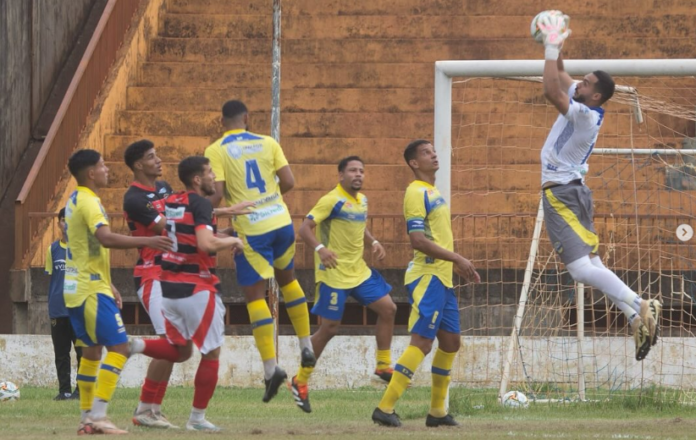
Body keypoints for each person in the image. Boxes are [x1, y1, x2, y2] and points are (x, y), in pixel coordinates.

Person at [537, 14, 661, 361]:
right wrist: (556, 43)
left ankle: (640, 303)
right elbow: (561, 75)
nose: (579, 83)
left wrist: (548, 48)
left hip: (561, 193)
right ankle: (635, 317)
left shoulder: (584, 114)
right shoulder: (585, 102)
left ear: (597, 95)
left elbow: (550, 88)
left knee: (579, 270)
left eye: (586, 83)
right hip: (574, 191)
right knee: (593, 262)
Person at [204, 100, 315, 403]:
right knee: (289, 281)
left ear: (221, 121)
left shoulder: (217, 149)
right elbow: (289, 181)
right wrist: (271, 200)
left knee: (255, 296)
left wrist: (205, 205)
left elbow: (216, 195)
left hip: (252, 229)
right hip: (281, 222)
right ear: (247, 118)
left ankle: (271, 369)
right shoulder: (268, 141)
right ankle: (306, 344)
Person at [129, 156, 244, 432]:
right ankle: (197, 418)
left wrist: (221, 227)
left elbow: (191, 231)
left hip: (168, 285)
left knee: (179, 349)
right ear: (197, 179)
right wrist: (233, 240)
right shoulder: (201, 203)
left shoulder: (173, 201)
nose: (214, 177)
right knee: (212, 352)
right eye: (210, 173)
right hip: (197, 286)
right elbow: (206, 243)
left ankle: (136, 346)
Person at [372, 140, 480, 428]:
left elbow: (437, 237)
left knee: (451, 342)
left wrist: (454, 264)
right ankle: (385, 407)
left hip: (443, 280)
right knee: (423, 340)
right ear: (413, 163)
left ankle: (436, 412)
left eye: (434, 150)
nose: (433, 154)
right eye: (426, 152)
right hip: (427, 277)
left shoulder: (434, 193)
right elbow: (418, 240)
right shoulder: (415, 192)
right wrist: (458, 258)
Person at [64, 149, 173, 435]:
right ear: (90, 173)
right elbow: (105, 238)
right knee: (119, 348)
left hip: (80, 286)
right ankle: (98, 415)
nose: (106, 169)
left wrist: (108, 282)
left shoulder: (74, 200)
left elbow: (82, 244)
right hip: (90, 290)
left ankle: (87, 418)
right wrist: (148, 239)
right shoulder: (90, 203)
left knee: (91, 352)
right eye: (102, 165)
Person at [295, 156, 397, 413]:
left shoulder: (362, 201)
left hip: (359, 272)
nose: (358, 175)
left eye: (362, 170)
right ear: (340, 175)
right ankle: (300, 380)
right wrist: (320, 249)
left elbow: (359, 227)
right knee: (329, 329)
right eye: (353, 170)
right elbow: (305, 228)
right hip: (333, 274)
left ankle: (383, 365)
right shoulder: (331, 199)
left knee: (389, 309)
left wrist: (373, 242)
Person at [122, 140, 176, 428]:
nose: (158, 160)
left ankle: (153, 409)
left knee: (176, 345)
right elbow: (169, 226)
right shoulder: (133, 198)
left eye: (157, 155)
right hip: (151, 274)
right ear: (138, 165)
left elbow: (183, 216)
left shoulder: (165, 187)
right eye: (151, 157)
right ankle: (145, 408)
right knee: (170, 342)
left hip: (173, 273)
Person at [46, 207, 82, 401]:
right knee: (61, 354)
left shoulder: (81, 249)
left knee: (82, 353)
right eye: (63, 220)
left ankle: (80, 391)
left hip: (78, 309)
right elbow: (52, 279)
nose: (66, 224)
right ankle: (64, 391)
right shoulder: (52, 249)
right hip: (58, 309)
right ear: (58, 223)